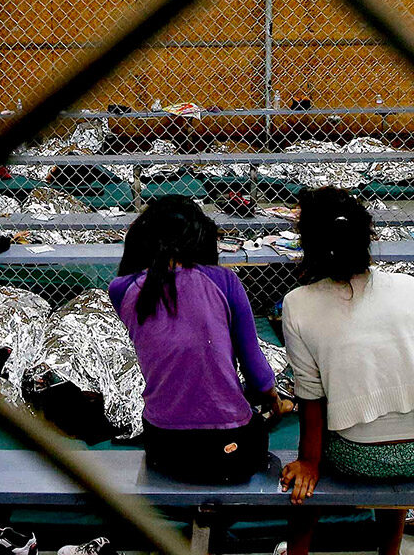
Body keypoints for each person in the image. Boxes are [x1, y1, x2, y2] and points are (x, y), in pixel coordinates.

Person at [108, 194, 287, 483]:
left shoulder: (121, 289)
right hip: (231, 450)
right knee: (256, 417)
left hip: (163, 447)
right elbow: (256, 370)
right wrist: (274, 398)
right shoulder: (224, 281)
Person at [280, 186, 414, 555]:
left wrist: (308, 461)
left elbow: (310, 398)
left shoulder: (297, 304)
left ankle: (297, 551)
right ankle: (389, 550)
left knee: (313, 455)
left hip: (359, 456)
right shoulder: (409, 287)